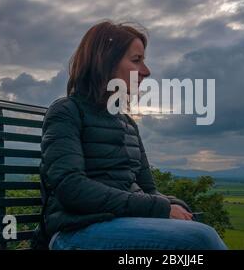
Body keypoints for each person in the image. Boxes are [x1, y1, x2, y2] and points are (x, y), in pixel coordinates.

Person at [36, 20, 228, 250]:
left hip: (122, 223)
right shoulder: (67, 112)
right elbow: (71, 188)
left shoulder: (126, 123)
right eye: (136, 60)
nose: (146, 72)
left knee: (195, 227)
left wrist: (173, 204)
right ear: (104, 63)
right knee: (200, 240)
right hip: (75, 232)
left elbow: (148, 189)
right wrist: (160, 208)